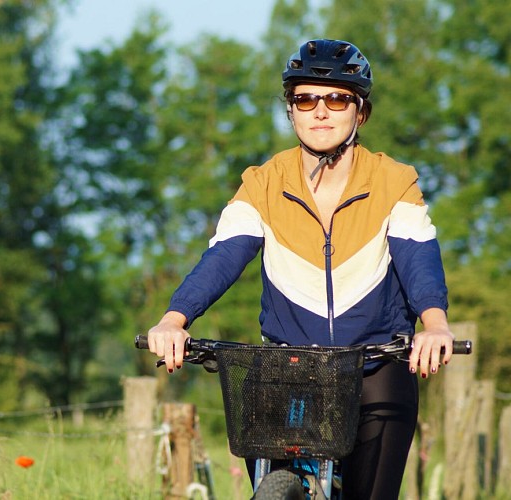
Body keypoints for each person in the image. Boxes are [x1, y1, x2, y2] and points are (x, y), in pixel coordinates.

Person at [146, 39, 455, 499]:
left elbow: (418, 260)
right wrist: (175, 319)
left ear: (360, 112)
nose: (320, 111)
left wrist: (434, 324)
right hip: (288, 369)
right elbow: (223, 256)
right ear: (290, 111)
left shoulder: (394, 182)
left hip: (375, 365)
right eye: (305, 99)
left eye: (336, 98)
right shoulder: (263, 183)